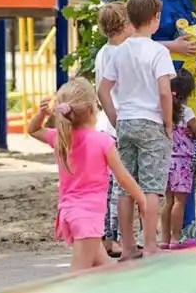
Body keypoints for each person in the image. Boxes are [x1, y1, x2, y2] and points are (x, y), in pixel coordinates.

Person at [27, 79, 144, 273]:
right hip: (88, 217)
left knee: (106, 266)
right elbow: (123, 178)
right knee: (79, 275)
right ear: (92, 109)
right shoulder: (103, 142)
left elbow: (33, 130)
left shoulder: (61, 138)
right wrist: (143, 201)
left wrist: (41, 114)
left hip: (72, 213)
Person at [97, 0, 176, 260]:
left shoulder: (119, 52)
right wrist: (168, 124)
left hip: (126, 122)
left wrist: (115, 119)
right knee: (152, 186)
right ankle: (151, 243)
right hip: (152, 122)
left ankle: (128, 245)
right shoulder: (159, 51)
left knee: (125, 186)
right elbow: (165, 92)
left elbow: (103, 89)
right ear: (155, 19)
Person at [91, 2, 128, 257]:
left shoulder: (103, 52)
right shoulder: (122, 53)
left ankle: (105, 237)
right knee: (119, 186)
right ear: (125, 24)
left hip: (104, 123)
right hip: (118, 122)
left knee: (106, 187)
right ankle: (116, 238)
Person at [159, 70, 196, 249]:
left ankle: (164, 238)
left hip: (166, 160)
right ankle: (176, 239)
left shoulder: (164, 111)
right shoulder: (187, 111)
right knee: (180, 202)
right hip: (182, 163)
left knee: (168, 202)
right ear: (189, 93)